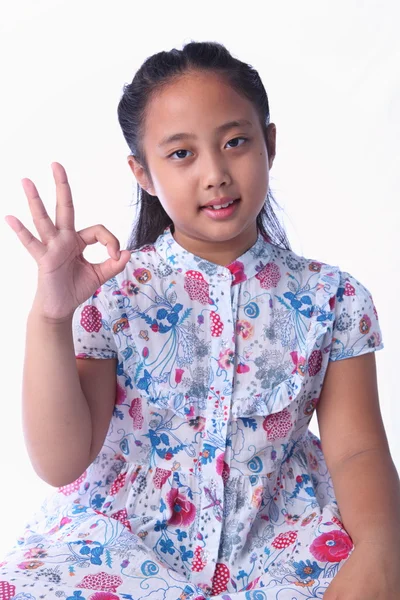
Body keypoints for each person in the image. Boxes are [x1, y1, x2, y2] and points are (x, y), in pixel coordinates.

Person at [1, 40, 399, 600]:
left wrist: (381, 553)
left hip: (282, 541)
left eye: (235, 142)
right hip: (122, 544)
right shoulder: (112, 293)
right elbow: (61, 461)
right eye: (181, 154)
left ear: (271, 143)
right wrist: (50, 317)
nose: (215, 173)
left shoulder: (334, 298)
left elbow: (358, 450)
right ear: (142, 172)